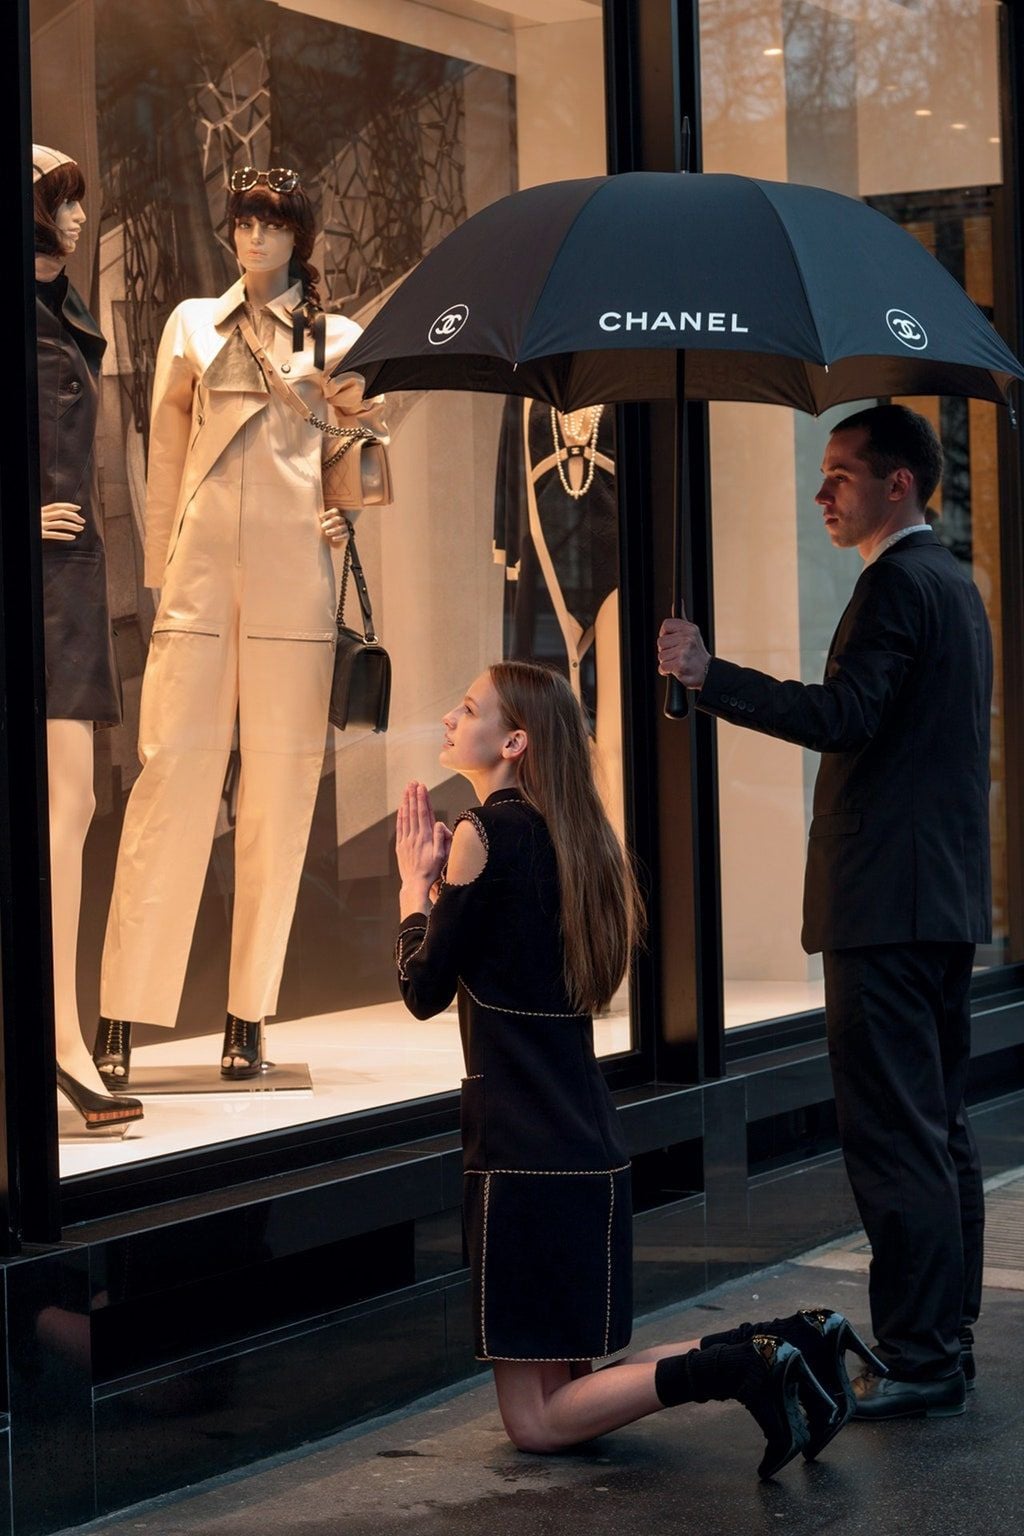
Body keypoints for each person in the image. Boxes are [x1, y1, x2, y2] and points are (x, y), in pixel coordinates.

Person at [394, 660, 862, 1476]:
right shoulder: (581, 841)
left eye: (466, 708)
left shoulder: (485, 831)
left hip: (521, 1151)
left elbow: (422, 989)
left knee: (535, 1424)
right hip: (585, 1145)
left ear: (513, 741)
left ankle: (737, 1366)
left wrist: (413, 889)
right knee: (577, 1391)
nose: (447, 718)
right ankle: (793, 1340)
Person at [658, 403, 991, 1420]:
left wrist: (708, 677)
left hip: (885, 908)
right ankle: (943, 1342)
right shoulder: (955, 585)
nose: (820, 493)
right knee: (935, 1131)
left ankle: (922, 1354)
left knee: (895, 1137)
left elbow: (843, 715)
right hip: (934, 903)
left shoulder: (897, 585)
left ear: (898, 483)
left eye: (840, 475)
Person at [94, 166, 387, 1084]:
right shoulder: (192, 323)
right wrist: (157, 584)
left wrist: (346, 508)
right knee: (168, 783)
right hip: (201, 580)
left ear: (301, 235)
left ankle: (248, 1012)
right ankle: (120, 1012)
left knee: (280, 795)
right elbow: (167, 457)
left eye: (271, 223)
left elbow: (365, 447)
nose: (254, 238)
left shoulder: (337, 337)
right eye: (244, 222)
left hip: (296, 582)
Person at [32, 143, 143, 1133]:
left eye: (75, 206)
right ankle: (55, 1040)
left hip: (69, 585)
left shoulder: (65, 317)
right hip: (32, 581)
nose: (72, 222)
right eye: (52, 205)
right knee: (56, 814)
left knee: (70, 811)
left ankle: (59, 1035)